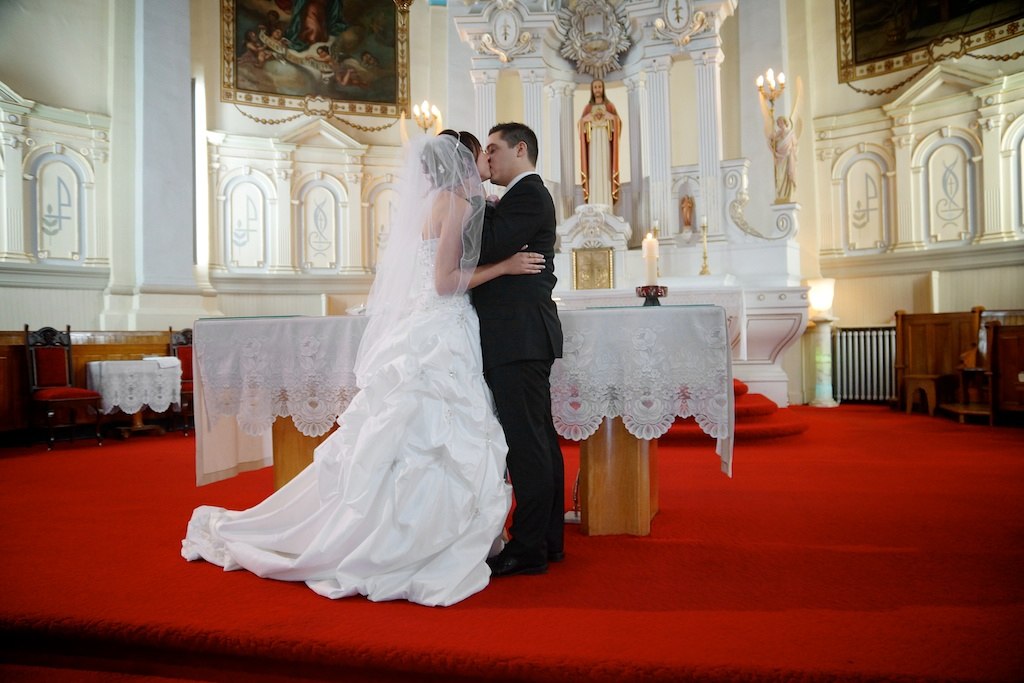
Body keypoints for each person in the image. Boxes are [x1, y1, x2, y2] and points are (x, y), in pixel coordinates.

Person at [181, 134, 546, 607]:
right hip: (441, 329)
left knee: (410, 432)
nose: (487, 160)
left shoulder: (433, 202)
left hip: (426, 327)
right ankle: (412, 540)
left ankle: (394, 529)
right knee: (435, 431)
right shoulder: (455, 203)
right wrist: (505, 268)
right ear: (463, 160)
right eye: (481, 153)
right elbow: (444, 282)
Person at [474, 122, 565, 578]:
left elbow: (485, 246)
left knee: (527, 445)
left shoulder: (529, 194)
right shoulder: (515, 198)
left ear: (521, 149)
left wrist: (472, 198)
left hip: (518, 336)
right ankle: (546, 540)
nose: (488, 158)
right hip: (519, 335)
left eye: (493, 148)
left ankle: (529, 547)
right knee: (539, 441)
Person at [578, 78, 621, 207]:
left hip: (605, 141)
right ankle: (593, 204)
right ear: (592, 90)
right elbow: (580, 125)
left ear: (603, 89)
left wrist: (612, 118)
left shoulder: (610, 106)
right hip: (593, 144)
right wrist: (584, 120)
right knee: (594, 169)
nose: (597, 89)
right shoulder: (588, 108)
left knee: (605, 169)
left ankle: (607, 205)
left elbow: (618, 123)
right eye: (595, 87)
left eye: (599, 87)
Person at [759, 76, 803, 203]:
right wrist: (770, 116)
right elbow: (771, 140)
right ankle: (781, 194)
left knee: (786, 177)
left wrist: (791, 152)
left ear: (785, 122)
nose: (779, 125)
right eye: (777, 123)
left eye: (780, 122)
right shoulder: (777, 134)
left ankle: (786, 195)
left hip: (788, 158)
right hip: (779, 159)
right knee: (779, 177)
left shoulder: (791, 134)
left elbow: (795, 146)